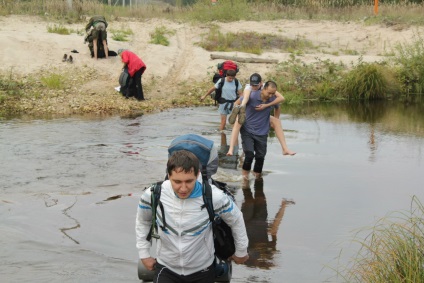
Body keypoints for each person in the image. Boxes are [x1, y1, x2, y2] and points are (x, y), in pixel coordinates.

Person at [135, 150, 249, 282]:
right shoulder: (153, 194)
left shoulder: (214, 196)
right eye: (177, 181)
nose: (183, 188)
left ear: (198, 175)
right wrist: (144, 254)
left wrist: (241, 251)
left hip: (202, 269)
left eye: (189, 181)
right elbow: (143, 221)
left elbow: (236, 219)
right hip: (166, 268)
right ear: (168, 175)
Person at [227, 73, 296, 156]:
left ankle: (285, 149)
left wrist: (275, 117)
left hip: (260, 116)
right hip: (246, 113)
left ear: (261, 83)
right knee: (239, 121)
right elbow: (238, 101)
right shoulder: (249, 89)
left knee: (276, 121)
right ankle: (230, 149)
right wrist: (238, 108)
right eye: (253, 85)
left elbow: (279, 103)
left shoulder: (268, 89)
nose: (254, 87)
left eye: (256, 85)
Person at [236, 80, 281, 179]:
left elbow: (277, 107)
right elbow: (237, 103)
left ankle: (257, 177)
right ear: (263, 89)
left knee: (260, 156)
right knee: (249, 155)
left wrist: (276, 120)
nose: (270, 95)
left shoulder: (273, 98)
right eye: (269, 93)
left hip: (262, 130)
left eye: (273, 93)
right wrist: (236, 115)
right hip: (247, 129)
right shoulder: (252, 95)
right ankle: (244, 177)